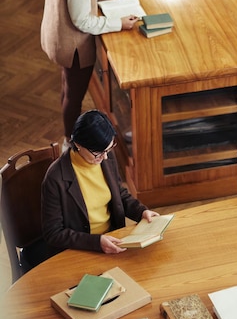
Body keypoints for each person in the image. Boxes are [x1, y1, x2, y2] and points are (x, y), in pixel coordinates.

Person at [40, 0, 140, 150]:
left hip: (55, 33)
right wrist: (119, 23)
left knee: (67, 88)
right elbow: (82, 22)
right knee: (74, 97)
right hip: (72, 45)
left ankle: (69, 137)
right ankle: (69, 144)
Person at [41, 109, 159, 256]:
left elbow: (120, 194)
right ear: (78, 144)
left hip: (113, 238)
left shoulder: (106, 155)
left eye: (108, 149)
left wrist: (141, 212)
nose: (104, 158)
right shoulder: (55, 178)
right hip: (80, 248)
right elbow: (53, 233)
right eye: (98, 153)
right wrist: (96, 242)